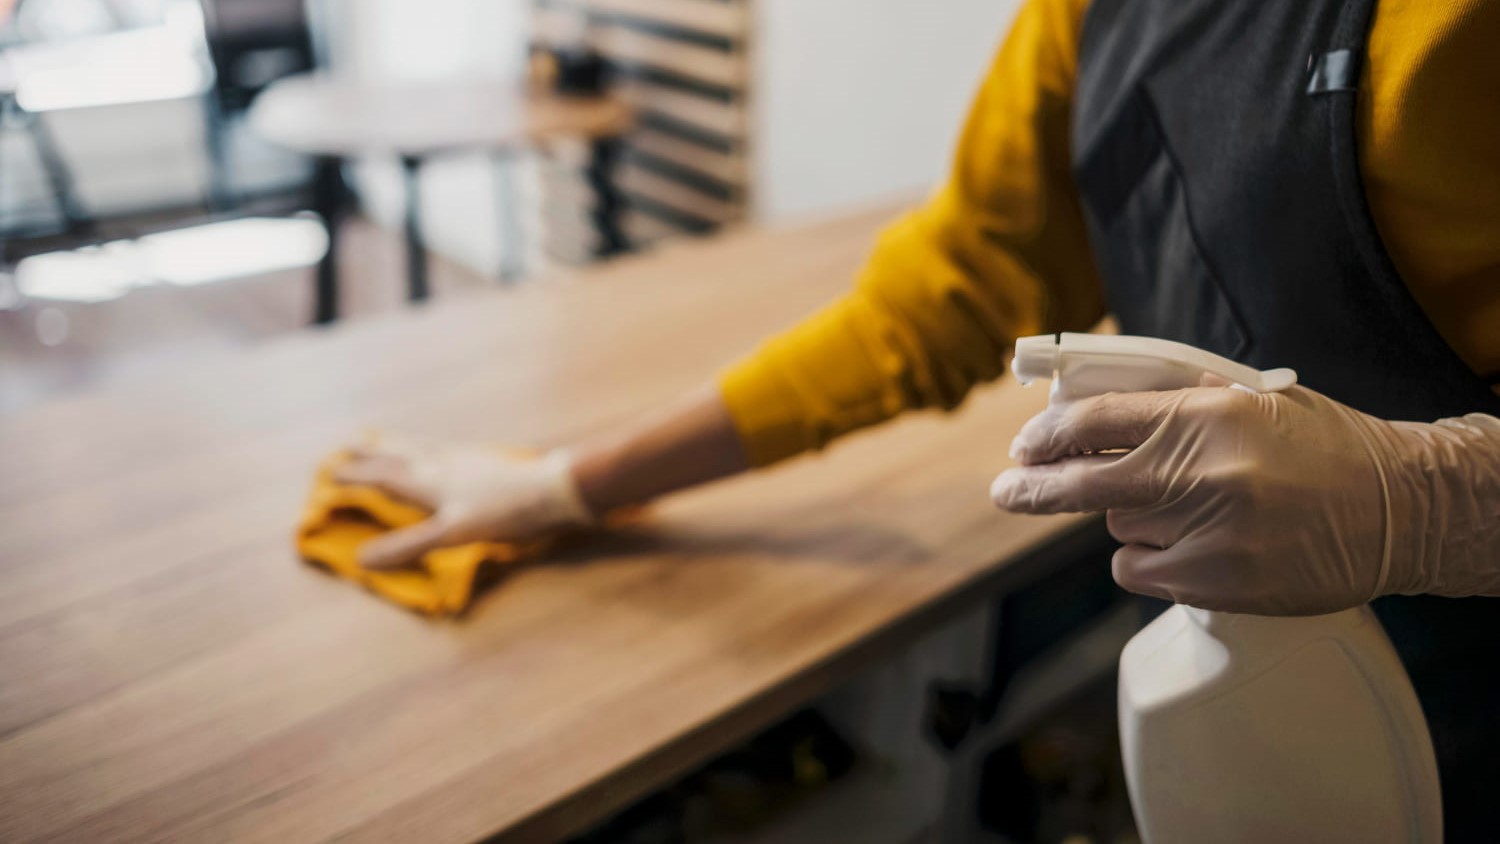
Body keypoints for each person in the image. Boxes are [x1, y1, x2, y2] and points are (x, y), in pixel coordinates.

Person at [333, 0, 1500, 836]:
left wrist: (1437, 501)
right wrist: (564, 485)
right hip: (1253, 678)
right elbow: (943, 298)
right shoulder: (1088, 16)